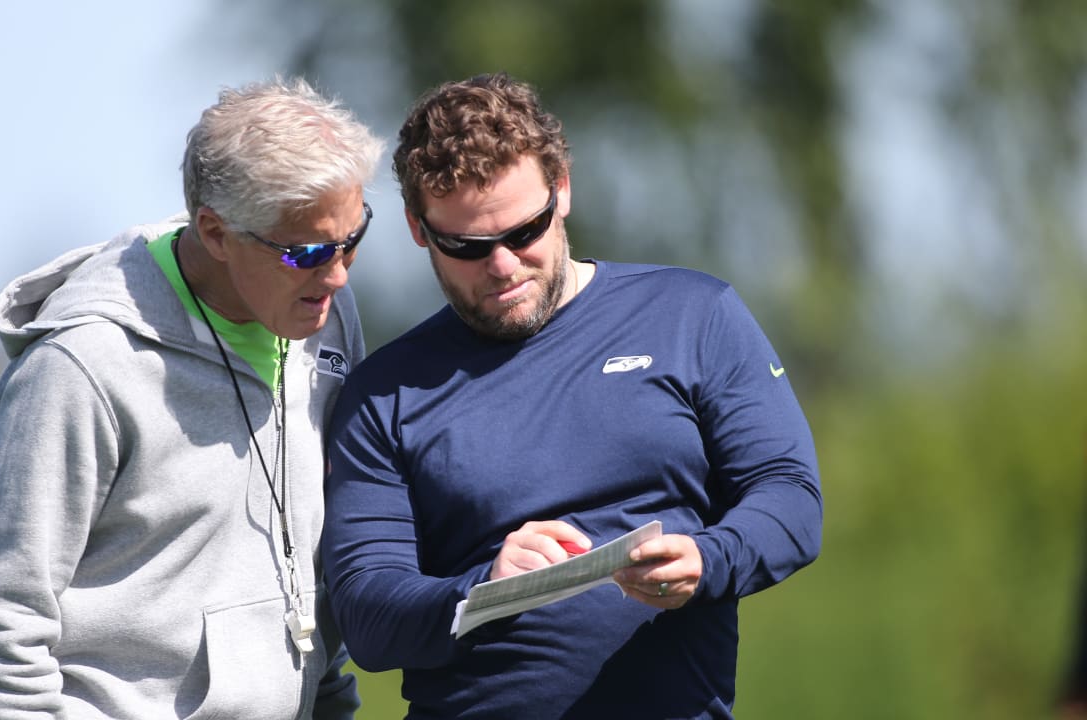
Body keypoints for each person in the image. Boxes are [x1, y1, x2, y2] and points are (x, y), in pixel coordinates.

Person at [320, 72, 823, 719]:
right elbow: (368, 616)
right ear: (420, 230)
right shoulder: (382, 394)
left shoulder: (693, 315)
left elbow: (790, 498)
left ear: (561, 190)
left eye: (523, 232)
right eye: (467, 246)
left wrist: (707, 558)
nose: (502, 265)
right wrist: (485, 587)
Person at [0, 78, 383, 719]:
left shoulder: (324, 317)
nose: (340, 273)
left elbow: (308, 586)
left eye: (353, 238)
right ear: (215, 232)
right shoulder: (81, 367)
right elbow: (4, 632)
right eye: (310, 252)